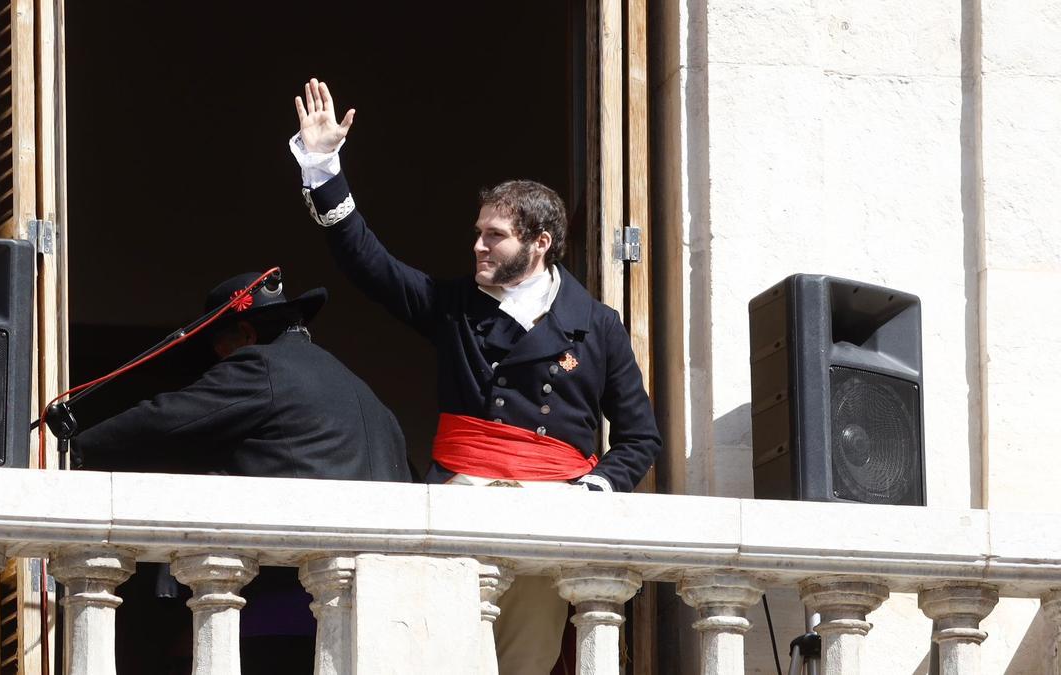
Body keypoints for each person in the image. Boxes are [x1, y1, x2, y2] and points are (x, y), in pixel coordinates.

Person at [289, 78, 663, 675]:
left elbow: (641, 438)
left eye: (495, 236)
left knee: (525, 662)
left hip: (549, 512)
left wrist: (592, 491)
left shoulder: (597, 326)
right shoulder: (452, 304)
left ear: (539, 243)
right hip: (458, 502)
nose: (478, 246)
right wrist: (323, 163)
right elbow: (367, 261)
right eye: (478, 232)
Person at [76, 271, 412, 674]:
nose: (221, 363)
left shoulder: (262, 365)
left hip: (285, 618)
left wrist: (73, 447)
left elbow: (166, 421)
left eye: (220, 351)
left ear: (246, 334)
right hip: (378, 617)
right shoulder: (365, 394)